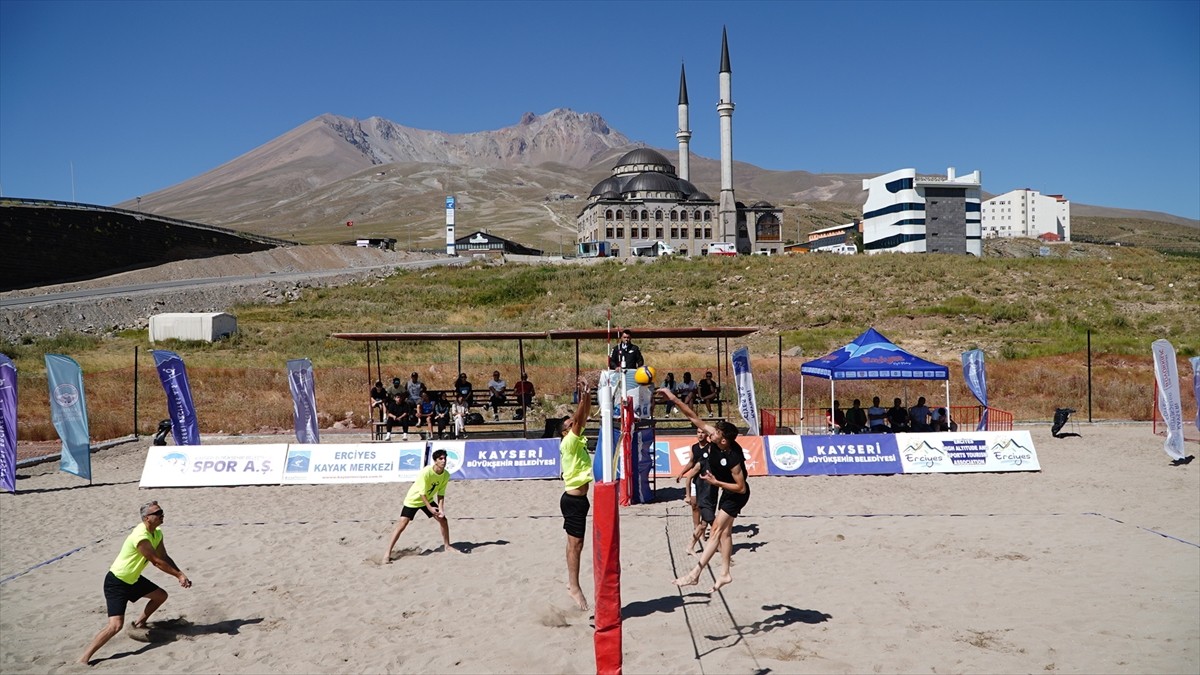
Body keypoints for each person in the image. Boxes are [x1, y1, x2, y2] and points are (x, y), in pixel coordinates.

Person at [658, 386, 749, 594]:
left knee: (716, 530)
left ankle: (695, 574)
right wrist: (673, 398)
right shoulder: (716, 440)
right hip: (727, 491)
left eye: (716, 432)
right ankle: (725, 573)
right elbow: (693, 416)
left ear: (723, 439)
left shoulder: (734, 458)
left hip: (737, 494)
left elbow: (741, 488)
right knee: (725, 532)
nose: (711, 433)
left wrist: (716, 483)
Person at [78, 501, 192, 665]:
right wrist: (178, 575)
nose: (162, 515)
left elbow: (164, 556)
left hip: (133, 579)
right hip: (117, 581)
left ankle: (139, 624)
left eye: (162, 512)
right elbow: (156, 561)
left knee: (160, 596)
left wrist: (180, 574)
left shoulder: (157, 533)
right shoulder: (140, 536)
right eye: (158, 513)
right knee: (115, 626)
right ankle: (84, 658)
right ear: (147, 518)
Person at [382, 449, 456, 563]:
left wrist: (441, 509)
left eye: (445, 458)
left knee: (443, 520)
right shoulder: (426, 472)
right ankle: (387, 553)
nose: (444, 461)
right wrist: (430, 508)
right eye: (440, 459)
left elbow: (441, 494)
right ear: (435, 461)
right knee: (402, 525)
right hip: (413, 500)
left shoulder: (445, 475)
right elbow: (422, 493)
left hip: (428, 499)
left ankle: (447, 546)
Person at [560, 375, 594, 611]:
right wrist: (584, 395)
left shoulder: (577, 439)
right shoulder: (569, 443)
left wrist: (588, 396)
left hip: (580, 501)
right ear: (565, 431)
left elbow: (584, 415)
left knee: (576, 544)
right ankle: (573, 586)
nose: (574, 422)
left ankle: (573, 585)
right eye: (570, 423)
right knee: (575, 545)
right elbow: (581, 417)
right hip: (572, 501)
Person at [676, 428, 716, 555]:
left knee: (704, 508)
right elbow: (691, 463)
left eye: (702, 432)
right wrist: (682, 472)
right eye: (698, 432)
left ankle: (702, 532)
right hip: (696, 481)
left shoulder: (711, 448)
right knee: (695, 505)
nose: (700, 434)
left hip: (708, 483)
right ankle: (697, 529)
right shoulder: (694, 448)